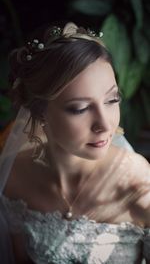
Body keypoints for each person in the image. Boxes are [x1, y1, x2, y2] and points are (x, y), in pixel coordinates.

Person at [0, 22, 150, 264]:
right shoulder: (13, 178)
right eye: (80, 108)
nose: (105, 123)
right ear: (39, 114)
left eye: (112, 99)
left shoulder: (138, 185)